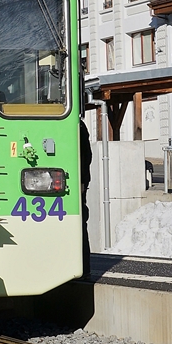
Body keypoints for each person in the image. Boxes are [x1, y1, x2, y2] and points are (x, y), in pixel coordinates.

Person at [79, 118, 93, 279]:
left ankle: (85, 266)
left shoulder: (79, 127)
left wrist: (82, 179)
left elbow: (85, 155)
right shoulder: (79, 125)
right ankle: (84, 267)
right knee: (81, 222)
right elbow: (87, 155)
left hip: (80, 180)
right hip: (81, 180)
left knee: (81, 222)